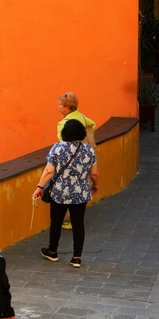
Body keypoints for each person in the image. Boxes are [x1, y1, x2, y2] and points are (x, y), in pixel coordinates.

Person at [33, 119, 98, 268]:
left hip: (59, 192)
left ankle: (52, 251)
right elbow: (94, 173)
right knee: (78, 224)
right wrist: (95, 185)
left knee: (56, 222)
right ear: (82, 133)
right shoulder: (89, 150)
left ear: (65, 133)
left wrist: (40, 187)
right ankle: (76, 258)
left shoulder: (58, 148)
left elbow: (49, 171)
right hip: (80, 192)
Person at [56, 93, 96, 229]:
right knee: (79, 187)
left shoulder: (64, 123)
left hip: (70, 159)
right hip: (82, 157)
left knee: (68, 191)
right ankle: (75, 221)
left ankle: (71, 221)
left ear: (67, 107)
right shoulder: (81, 116)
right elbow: (93, 124)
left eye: (60, 105)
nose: (58, 107)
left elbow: (63, 141)